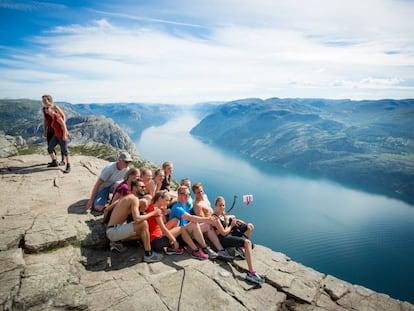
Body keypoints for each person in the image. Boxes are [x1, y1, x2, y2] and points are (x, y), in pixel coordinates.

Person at [169, 186, 233, 260]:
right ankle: (205, 248)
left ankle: (221, 250)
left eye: (188, 194)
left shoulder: (185, 205)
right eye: (185, 194)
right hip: (179, 236)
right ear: (179, 195)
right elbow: (191, 218)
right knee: (194, 223)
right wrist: (207, 219)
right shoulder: (177, 208)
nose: (187, 196)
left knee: (207, 225)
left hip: (187, 232)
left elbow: (194, 215)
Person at [106, 180, 163, 262]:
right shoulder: (134, 199)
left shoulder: (128, 197)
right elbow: (137, 219)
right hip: (114, 231)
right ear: (135, 188)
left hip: (113, 230)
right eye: (141, 187)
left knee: (143, 234)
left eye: (144, 187)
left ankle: (117, 242)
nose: (144, 188)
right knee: (143, 224)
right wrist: (153, 213)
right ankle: (148, 255)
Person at [212, 196, 264, 284]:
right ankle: (251, 273)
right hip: (224, 239)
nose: (222, 207)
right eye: (220, 205)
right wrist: (231, 225)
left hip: (229, 234)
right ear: (215, 206)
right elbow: (223, 233)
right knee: (247, 242)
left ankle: (239, 248)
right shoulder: (215, 218)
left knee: (249, 226)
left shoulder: (222, 214)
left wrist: (236, 220)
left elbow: (230, 217)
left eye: (223, 205)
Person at [147, 191, 208, 259]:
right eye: (166, 200)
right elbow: (163, 228)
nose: (168, 202)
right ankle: (196, 251)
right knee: (181, 229)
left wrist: (163, 211)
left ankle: (172, 247)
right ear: (160, 198)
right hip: (157, 241)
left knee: (176, 220)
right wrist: (174, 241)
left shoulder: (152, 207)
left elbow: (161, 223)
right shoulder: (156, 211)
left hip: (154, 237)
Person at [191, 182, 234, 260]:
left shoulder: (205, 196)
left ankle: (237, 244)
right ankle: (221, 250)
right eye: (198, 192)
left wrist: (221, 214)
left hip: (215, 216)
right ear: (194, 193)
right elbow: (203, 220)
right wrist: (215, 221)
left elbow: (211, 210)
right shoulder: (197, 205)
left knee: (233, 217)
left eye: (201, 191)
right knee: (212, 226)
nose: (200, 193)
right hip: (210, 221)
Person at [45, 105, 71, 174]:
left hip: (61, 136)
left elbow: (63, 125)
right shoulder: (52, 117)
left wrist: (65, 134)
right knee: (50, 148)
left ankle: (68, 165)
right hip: (56, 136)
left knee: (65, 151)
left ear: (52, 110)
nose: (46, 110)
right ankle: (54, 162)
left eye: (47, 108)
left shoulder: (56, 116)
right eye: (45, 109)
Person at [42, 95, 66, 166]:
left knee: (62, 145)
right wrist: (45, 130)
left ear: (49, 100)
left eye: (45, 100)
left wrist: (62, 126)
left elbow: (63, 116)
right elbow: (45, 120)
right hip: (49, 129)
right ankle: (54, 160)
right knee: (50, 145)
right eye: (43, 101)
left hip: (57, 129)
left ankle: (63, 161)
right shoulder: (44, 109)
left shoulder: (55, 107)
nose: (43, 102)